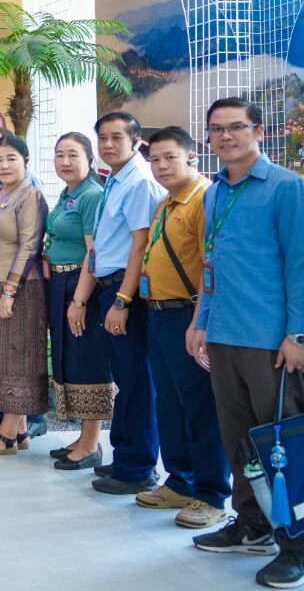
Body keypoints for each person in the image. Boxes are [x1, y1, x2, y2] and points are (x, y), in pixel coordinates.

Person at [190, 98, 304, 589]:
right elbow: (210, 264)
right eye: (216, 129)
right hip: (224, 336)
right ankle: (252, 524)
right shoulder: (214, 191)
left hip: (270, 340)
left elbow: (300, 264)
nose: (225, 136)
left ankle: (296, 544)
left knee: (281, 444)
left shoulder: (286, 187)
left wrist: (298, 333)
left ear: (258, 131)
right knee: (239, 440)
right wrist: (201, 321)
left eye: (236, 127)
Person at [136, 126, 229, 529]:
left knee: (200, 406)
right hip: (158, 314)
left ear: (191, 156)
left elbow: (211, 266)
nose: (161, 166)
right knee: (170, 403)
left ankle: (212, 494)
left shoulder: (203, 199)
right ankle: (179, 480)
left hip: (187, 316)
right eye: (155, 159)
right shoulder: (166, 202)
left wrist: (198, 321)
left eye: (170, 157)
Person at [70, 111, 164, 494]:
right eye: (103, 137)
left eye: (116, 137)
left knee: (137, 381)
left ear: (136, 141)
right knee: (125, 379)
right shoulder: (115, 179)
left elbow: (141, 246)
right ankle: (125, 457)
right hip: (110, 286)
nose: (108, 144)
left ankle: (138, 468)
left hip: (127, 292)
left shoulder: (139, 181)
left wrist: (123, 301)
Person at [0, 134, 49, 457]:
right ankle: (20, 429)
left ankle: (6, 434)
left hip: (18, 289)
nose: (3, 165)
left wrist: (10, 291)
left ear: (25, 161)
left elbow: (29, 246)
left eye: (11, 158)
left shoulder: (31, 196)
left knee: (18, 358)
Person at [44, 132, 111, 471]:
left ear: (89, 160)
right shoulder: (67, 194)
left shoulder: (92, 195)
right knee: (69, 358)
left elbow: (93, 252)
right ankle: (82, 437)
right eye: (60, 155)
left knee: (87, 360)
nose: (65, 162)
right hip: (60, 282)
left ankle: (91, 443)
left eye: (73, 155)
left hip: (81, 286)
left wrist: (80, 300)